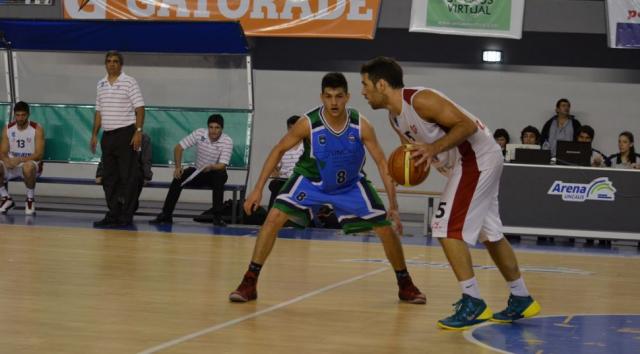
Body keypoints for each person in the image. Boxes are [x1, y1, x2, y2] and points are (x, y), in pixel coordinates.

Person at [360, 57, 540, 330]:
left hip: (476, 158)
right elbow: (411, 157)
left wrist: (433, 149)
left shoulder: (421, 100)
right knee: (489, 234)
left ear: (381, 84)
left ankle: (473, 301)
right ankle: (521, 296)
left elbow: (466, 126)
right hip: (468, 164)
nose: (363, 91)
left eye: (365, 84)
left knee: (445, 228)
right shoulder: (394, 119)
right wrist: (403, 175)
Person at [229, 72, 426, 305]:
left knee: (385, 228)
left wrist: (393, 204)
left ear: (348, 97)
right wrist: (257, 189)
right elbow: (278, 149)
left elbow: (382, 164)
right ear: (322, 97)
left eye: (339, 96)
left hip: (350, 184)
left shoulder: (361, 125)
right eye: (329, 96)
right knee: (273, 217)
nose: (334, 102)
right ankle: (249, 281)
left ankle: (405, 284)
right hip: (312, 181)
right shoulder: (308, 123)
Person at [90, 50, 145, 227]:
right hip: (108, 136)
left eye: (115, 61)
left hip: (126, 134)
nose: (112, 64)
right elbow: (99, 112)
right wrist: (94, 134)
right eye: (109, 61)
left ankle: (126, 215)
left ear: (121, 65)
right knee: (109, 177)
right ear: (105, 64)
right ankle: (113, 213)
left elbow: (140, 109)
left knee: (128, 177)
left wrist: (138, 131)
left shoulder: (130, 82)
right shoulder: (100, 84)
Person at [149, 114, 232, 226]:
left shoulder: (227, 141)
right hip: (199, 171)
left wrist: (211, 167)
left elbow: (222, 165)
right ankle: (166, 214)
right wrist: (178, 167)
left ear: (222, 129)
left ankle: (217, 217)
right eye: (211, 127)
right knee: (179, 176)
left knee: (219, 176)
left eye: (217, 127)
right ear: (207, 127)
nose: (213, 131)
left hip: (215, 171)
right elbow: (178, 148)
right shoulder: (199, 133)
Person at [0, 101, 44, 215]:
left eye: (23, 115)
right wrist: (6, 161)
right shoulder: (8, 129)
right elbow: (3, 152)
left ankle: (30, 199)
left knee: (28, 167)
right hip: (13, 165)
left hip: (32, 165)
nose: (20, 118)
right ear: (14, 115)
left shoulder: (37, 128)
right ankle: (6, 198)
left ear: (28, 114)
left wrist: (19, 160)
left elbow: (39, 154)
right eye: (18, 115)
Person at [96, 132, 153, 211]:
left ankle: (127, 204)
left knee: (134, 178)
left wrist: (147, 175)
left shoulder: (143, 138)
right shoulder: (114, 135)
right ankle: (118, 206)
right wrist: (100, 173)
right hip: (116, 170)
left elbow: (146, 158)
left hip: (134, 171)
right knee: (109, 179)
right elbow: (105, 156)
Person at [267, 115, 304, 210]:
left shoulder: (307, 147)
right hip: (283, 180)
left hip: (300, 180)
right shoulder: (282, 147)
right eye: (291, 129)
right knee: (275, 185)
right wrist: (276, 175)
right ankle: (271, 216)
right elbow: (274, 166)